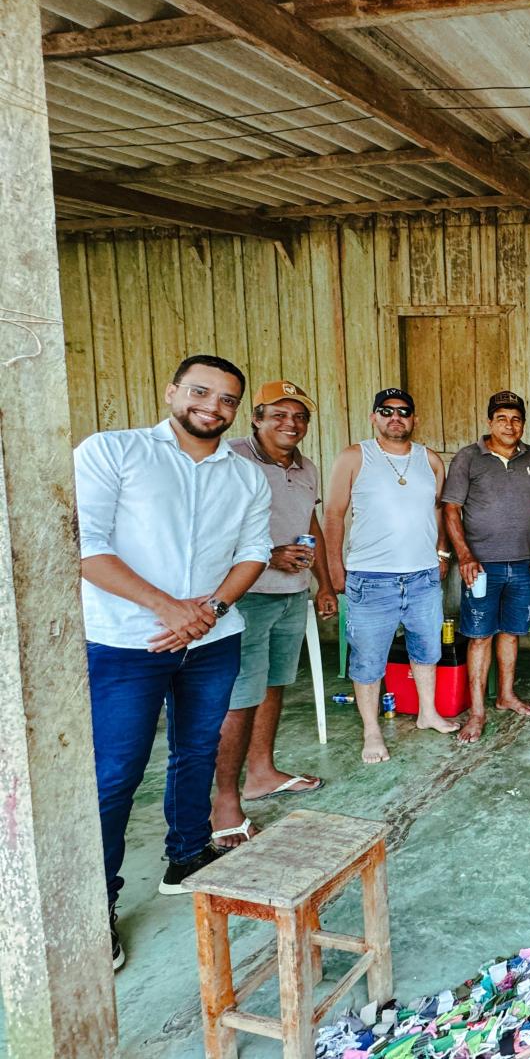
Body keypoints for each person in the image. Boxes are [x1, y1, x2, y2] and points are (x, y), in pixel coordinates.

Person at [74, 355, 271, 968]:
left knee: (198, 750)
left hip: (211, 638)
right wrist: (168, 608)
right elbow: (86, 547)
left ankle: (187, 855)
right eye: (201, 392)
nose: (212, 407)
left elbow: (254, 551)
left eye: (226, 399)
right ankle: (95, 906)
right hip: (126, 641)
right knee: (115, 775)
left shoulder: (245, 476)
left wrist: (206, 610)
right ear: (172, 392)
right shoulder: (113, 452)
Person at [211, 381, 334, 852]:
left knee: (274, 684)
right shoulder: (231, 459)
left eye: (299, 416)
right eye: (279, 414)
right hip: (245, 594)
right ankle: (225, 801)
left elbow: (310, 526)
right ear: (256, 418)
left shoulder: (306, 468)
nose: (290, 424)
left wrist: (324, 583)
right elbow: (213, 527)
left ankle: (261, 773)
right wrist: (266, 557)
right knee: (239, 695)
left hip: (290, 593)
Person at [324, 388, 455, 764]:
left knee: (427, 648)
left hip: (423, 576)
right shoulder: (354, 456)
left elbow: (438, 511)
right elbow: (333, 515)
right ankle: (371, 730)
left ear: (414, 418)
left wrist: (441, 552)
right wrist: (336, 571)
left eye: (403, 411)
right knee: (368, 659)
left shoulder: (429, 460)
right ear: (374, 416)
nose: (395, 417)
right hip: (371, 576)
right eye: (386, 411)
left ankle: (428, 713)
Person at [443, 390, 530, 744]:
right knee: (480, 635)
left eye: (516, 418)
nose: (509, 424)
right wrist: (465, 556)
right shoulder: (468, 458)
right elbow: (451, 510)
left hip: (522, 563)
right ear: (490, 421)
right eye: (502, 418)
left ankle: (505, 695)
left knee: (511, 632)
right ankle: (477, 712)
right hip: (481, 565)